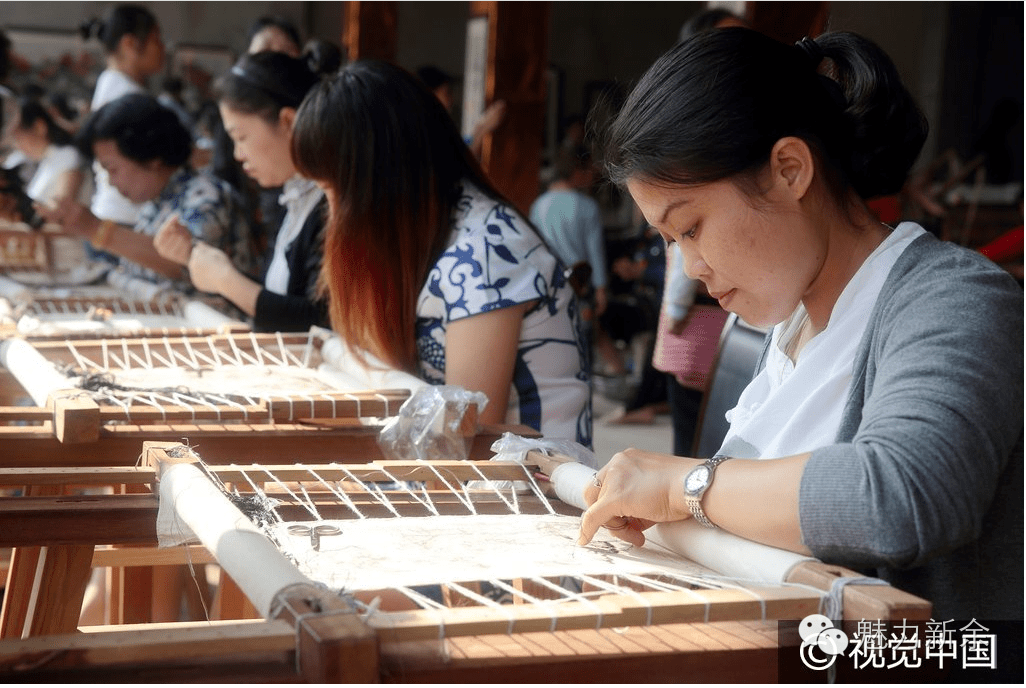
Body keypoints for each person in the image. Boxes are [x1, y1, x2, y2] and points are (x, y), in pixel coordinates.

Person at [578, 28, 1023, 622]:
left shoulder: (954, 297)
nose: (693, 266)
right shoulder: (791, 322)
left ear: (789, 170)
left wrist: (684, 486)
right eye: (669, 241)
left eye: (691, 228)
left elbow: (903, 494)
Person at [292, 60, 591, 446]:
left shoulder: (486, 254)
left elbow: (466, 437)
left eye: (333, 191)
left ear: (380, 181)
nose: (329, 212)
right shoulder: (430, 232)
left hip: (526, 493)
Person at [155, 51, 329, 333]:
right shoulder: (294, 196)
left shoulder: (329, 201)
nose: (238, 154)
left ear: (287, 122)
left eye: (241, 137)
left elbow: (324, 322)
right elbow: (280, 300)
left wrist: (227, 281)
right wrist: (199, 260)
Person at [41, 93, 254, 290]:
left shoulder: (207, 196)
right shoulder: (156, 203)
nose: (112, 182)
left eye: (112, 169)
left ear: (152, 158)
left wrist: (96, 229)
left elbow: (185, 264)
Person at [80, 4, 165, 227]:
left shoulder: (113, 83)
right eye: (156, 40)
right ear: (129, 44)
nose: (162, 48)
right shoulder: (126, 94)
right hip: (126, 216)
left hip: (116, 213)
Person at [529, 144, 609, 322]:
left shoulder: (538, 205)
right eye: (588, 169)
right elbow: (595, 252)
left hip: (546, 284)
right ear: (577, 171)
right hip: (577, 286)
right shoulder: (587, 206)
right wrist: (601, 289)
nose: (592, 174)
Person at [7, 96, 92, 207]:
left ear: (39, 127)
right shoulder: (48, 161)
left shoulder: (67, 156)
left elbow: (60, 210)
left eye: (17, 138)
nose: (17, 146)